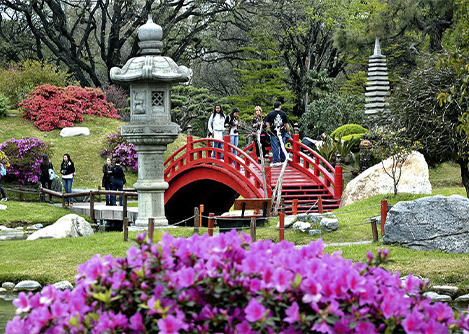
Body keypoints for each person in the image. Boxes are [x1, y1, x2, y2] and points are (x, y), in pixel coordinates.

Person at [265, 101, 291, 166]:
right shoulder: (283, 114)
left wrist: (269, 129)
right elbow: (286, 124)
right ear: (279, 106)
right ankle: (283, 160)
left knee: (275, 147)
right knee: (282, 146)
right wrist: (288, 131)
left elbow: (267, 123)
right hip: (282, 132)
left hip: (273, 133)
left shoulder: (270, 114)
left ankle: (276, 161)